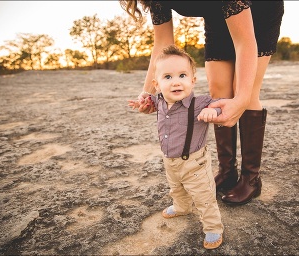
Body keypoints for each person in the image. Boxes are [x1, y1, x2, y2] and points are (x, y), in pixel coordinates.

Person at [121, 0, 284, 205]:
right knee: (218, 91)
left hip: (260, 10)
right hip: (218, 16)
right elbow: (163, 44)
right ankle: (227, 172)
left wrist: (241, 99)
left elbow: (245, 41)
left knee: (247, 93)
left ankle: (251, 179)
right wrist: (148, 93)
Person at [128, 45, 224, 249]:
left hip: (195, 163)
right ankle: (181, 206)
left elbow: (221, 105)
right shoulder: (160, 100)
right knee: (176, 187)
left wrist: (212, 112)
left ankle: (213, 227)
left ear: (192, 80)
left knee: (204, 196)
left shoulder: (200, 103)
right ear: (157, 83)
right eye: (168, 77)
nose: (176, 82)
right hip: (169, 159)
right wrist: (142, 103)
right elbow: (150, 100)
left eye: (182, 75)